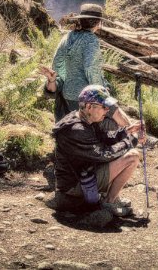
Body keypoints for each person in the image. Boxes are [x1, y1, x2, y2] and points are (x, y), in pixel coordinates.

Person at [50, 84, 145, 216]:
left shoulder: (84, 119)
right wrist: (132, 140)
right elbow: (105, 153)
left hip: (83, 174)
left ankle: (109, 198)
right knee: (132, 157)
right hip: (74, 185)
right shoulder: (77, 130)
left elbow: (104, 142)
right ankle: (109, 202)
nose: (107, 111)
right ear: (89, 106)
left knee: (124, 152)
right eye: (104, 107)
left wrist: (127, 132)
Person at [39, 3, 112, 121]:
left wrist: (62, 83)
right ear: (98, 23)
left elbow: (57, 63)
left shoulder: (68, 36)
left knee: (67, 131)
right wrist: (102, 94)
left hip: (64, 95)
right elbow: (91, 69)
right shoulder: (91, 40)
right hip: (84, 99)